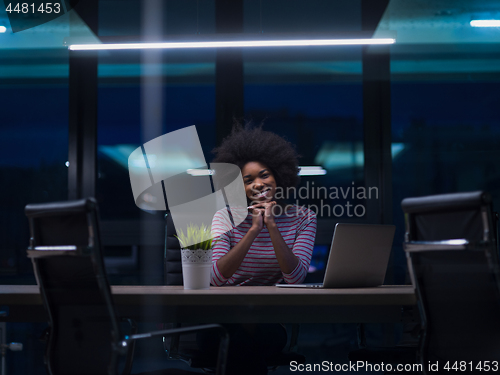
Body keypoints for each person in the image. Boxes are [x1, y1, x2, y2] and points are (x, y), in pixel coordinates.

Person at [197, 122, 317, 375]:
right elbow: (216, 278)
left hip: (270, 321)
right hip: (223, 318)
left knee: (238, 345)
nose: (258, 184)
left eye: (264, 175)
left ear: (278, 176)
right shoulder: (224, 217)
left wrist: (271, 225)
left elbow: (295, 279)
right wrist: (253, 230)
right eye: (247, 180)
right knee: (237, 343)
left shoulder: (303, 217)